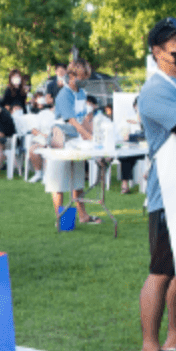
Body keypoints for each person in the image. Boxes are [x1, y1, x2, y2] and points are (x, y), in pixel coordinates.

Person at [133, 18, 176, 351]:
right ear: (158, 51)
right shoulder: (154, 90)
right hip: (169, 195)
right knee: (162, 270)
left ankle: (175, 338)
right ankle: (148, 349)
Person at [45, 57, 100, 226]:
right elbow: (72, 121)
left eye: (86, 77)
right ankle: (61, 219)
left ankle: (83, 216)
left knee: (77, 180)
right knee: (59, 181)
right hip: (60, 138)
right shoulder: (63, 94)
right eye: (82, 77)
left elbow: (82, 119)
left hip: (75, 140)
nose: (84, 81)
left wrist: (92, 133)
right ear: (73, 76)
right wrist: (88, 136)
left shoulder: (81, 93)